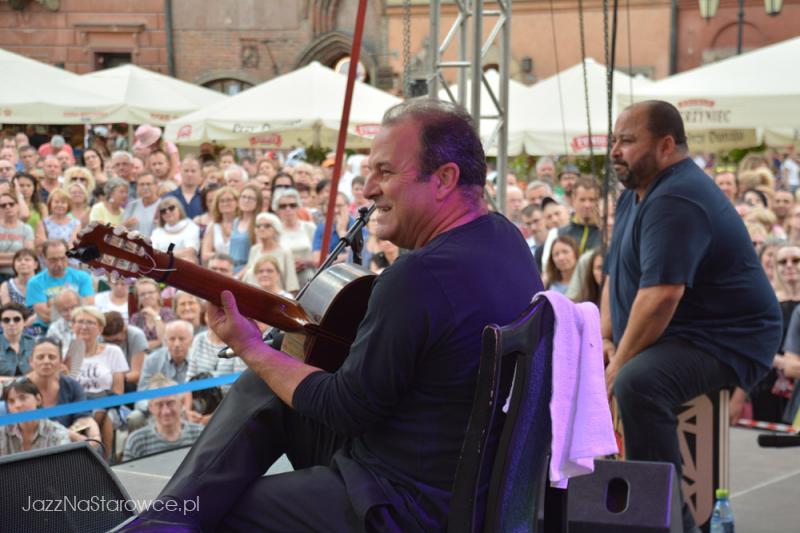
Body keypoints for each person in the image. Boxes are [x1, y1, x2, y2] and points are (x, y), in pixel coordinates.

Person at [121, 98, 540, 531]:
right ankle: (164, 522)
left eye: (386, 172)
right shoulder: (507, 241)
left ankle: (170, 521)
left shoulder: (419, 276)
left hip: (401, 505)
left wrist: (246, 344)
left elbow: (344, 409)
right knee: (270, 378)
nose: (368, 190)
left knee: (226, 510)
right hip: (467, 485)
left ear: (445, 178)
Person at [602, 100, 782, 533]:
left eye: (627, 141)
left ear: (666, 145)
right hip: (681, 332)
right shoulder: (636, 193)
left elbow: (661, 296)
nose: (615, 151)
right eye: (614, 140)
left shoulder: (678, 195)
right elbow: (615, 276)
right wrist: (603, 340)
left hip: (729, 337)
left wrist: (617, 366)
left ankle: (667, 521)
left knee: (638, 382)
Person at [71, 306, 129, 459]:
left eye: (90, 323)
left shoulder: (113, 352)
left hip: (108, 404)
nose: (84, 326)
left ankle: (105, 462)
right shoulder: (66, 353)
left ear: (100, 328)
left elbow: (118, 391)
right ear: (72, 326)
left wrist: (100, 406)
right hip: (76, 406)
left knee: (104, 415)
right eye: (80, 322)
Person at [25, 337, 101, 446]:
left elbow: (84, 418)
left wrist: (95, 437)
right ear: (31, 361)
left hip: (65, 447)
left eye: (52, 357)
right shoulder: (19, 389)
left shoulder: (72, 386)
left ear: (61, 362)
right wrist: (74, 436)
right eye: (40, 357)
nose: (46, 361)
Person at [122, 374, 204, 461]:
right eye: (159, 405)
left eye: (170, 403)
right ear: (150, 407)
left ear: (181, 404)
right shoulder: (137, 441)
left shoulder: (199, 434)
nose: (166, 411)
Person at [26, 239, 94, 329]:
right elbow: (45, 316)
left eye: (62, 258)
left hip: (79, 329)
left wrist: (52, 303)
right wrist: (76, 305)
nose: (59, 263)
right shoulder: (34, 283)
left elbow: (88, 308)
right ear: (43, 258)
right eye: (53, 260)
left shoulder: (83, 277)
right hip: (47, 330)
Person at [0, 378, 71, 456]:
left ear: (38, 399)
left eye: (22, 398)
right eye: (11, 401)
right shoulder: (2, 432)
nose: (17, 405)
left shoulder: (58, 433)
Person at [243, 212, 298, 293]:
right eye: (258, 226)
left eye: (267, 226)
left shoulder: (285, 252)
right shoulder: (254, 249)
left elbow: (292, 285)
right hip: (251, 296)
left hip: (275, 299)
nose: (261, 228)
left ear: (276, 229)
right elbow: (247, 274)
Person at [102, 311, 147, 394]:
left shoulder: (136, 335)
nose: (113, 345)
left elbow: (137, 374)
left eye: (116, 340)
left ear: (124, 328)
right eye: (108, 342)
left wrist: (116, 378)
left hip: (130, 383)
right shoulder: (99, 337)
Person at [130, 278, 177, 352]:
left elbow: (168, 340)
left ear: (158, 294)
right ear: (138, 298)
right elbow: (134, 345)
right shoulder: (135, 318)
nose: (147, 296)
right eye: (142, 294)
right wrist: (158, 342)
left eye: (151, 292)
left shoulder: (167, 313)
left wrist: (155, 315)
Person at [150, 197, 201, 261]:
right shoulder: (157, 232)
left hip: (184, 266)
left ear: (179, 209)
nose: (167, 212)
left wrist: (164, 254)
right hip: (161, 265)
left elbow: (191, 251)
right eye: (163, 211)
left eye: (171, 208)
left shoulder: (191, 227)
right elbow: (152, 252)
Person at [0, 192, 34, 284]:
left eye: (11, 204)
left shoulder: (26, 229)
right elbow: (22, 257)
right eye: (3, 205)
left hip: (19, 276)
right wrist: (17, 257)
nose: (8, 207)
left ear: (18, 206)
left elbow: (28, 255)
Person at [0, 302, 34, 381]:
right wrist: (17, 381)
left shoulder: (35, 344)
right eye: (6, 320)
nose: (11, 323)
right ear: (1, 323)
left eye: (17, 319)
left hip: (31, 388)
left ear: (24, 322)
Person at [122, 171, 161, 237]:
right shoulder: (132, 206)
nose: (145, 187)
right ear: (137, 187)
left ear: (156, 185)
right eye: (142, 184)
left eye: (148, 184)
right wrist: (125, 225)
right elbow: (120, 230)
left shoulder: (163, 206)